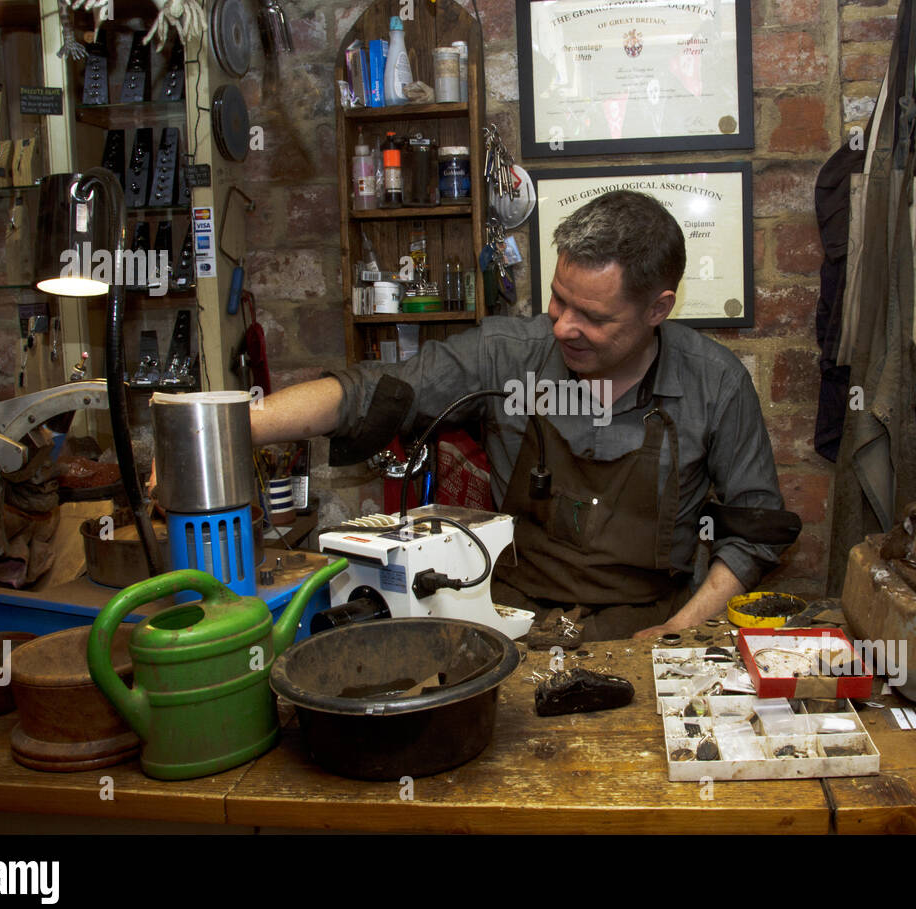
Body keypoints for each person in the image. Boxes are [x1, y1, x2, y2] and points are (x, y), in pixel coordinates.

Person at [252, 190, 795, 639]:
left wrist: (679, 630)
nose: (562, 327)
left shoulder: (715, 382)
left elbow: (755, 531)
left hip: (648, 626)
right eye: (559, 301)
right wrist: (235, 427)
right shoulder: (506, 354)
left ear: (658, 309)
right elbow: (372, 392)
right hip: (508, 618)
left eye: (591, 316)